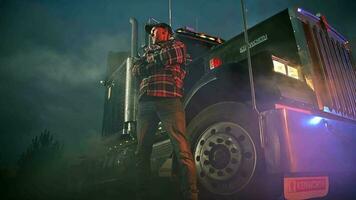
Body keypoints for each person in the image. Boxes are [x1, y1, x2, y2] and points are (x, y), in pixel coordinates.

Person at [132, 22, 198, 200]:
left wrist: (148, 64)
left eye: (156, 31)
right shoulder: (146, 51)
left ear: (166, 32)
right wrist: (155, 63)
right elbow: (135, 70)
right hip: (146, 101)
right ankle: (142, 195)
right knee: (142, 151)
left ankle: (190, 195)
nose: (152, 34)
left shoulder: (176, 44)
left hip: (169, 98)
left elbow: (173, 54)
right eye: (151, 32)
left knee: (182, 149)